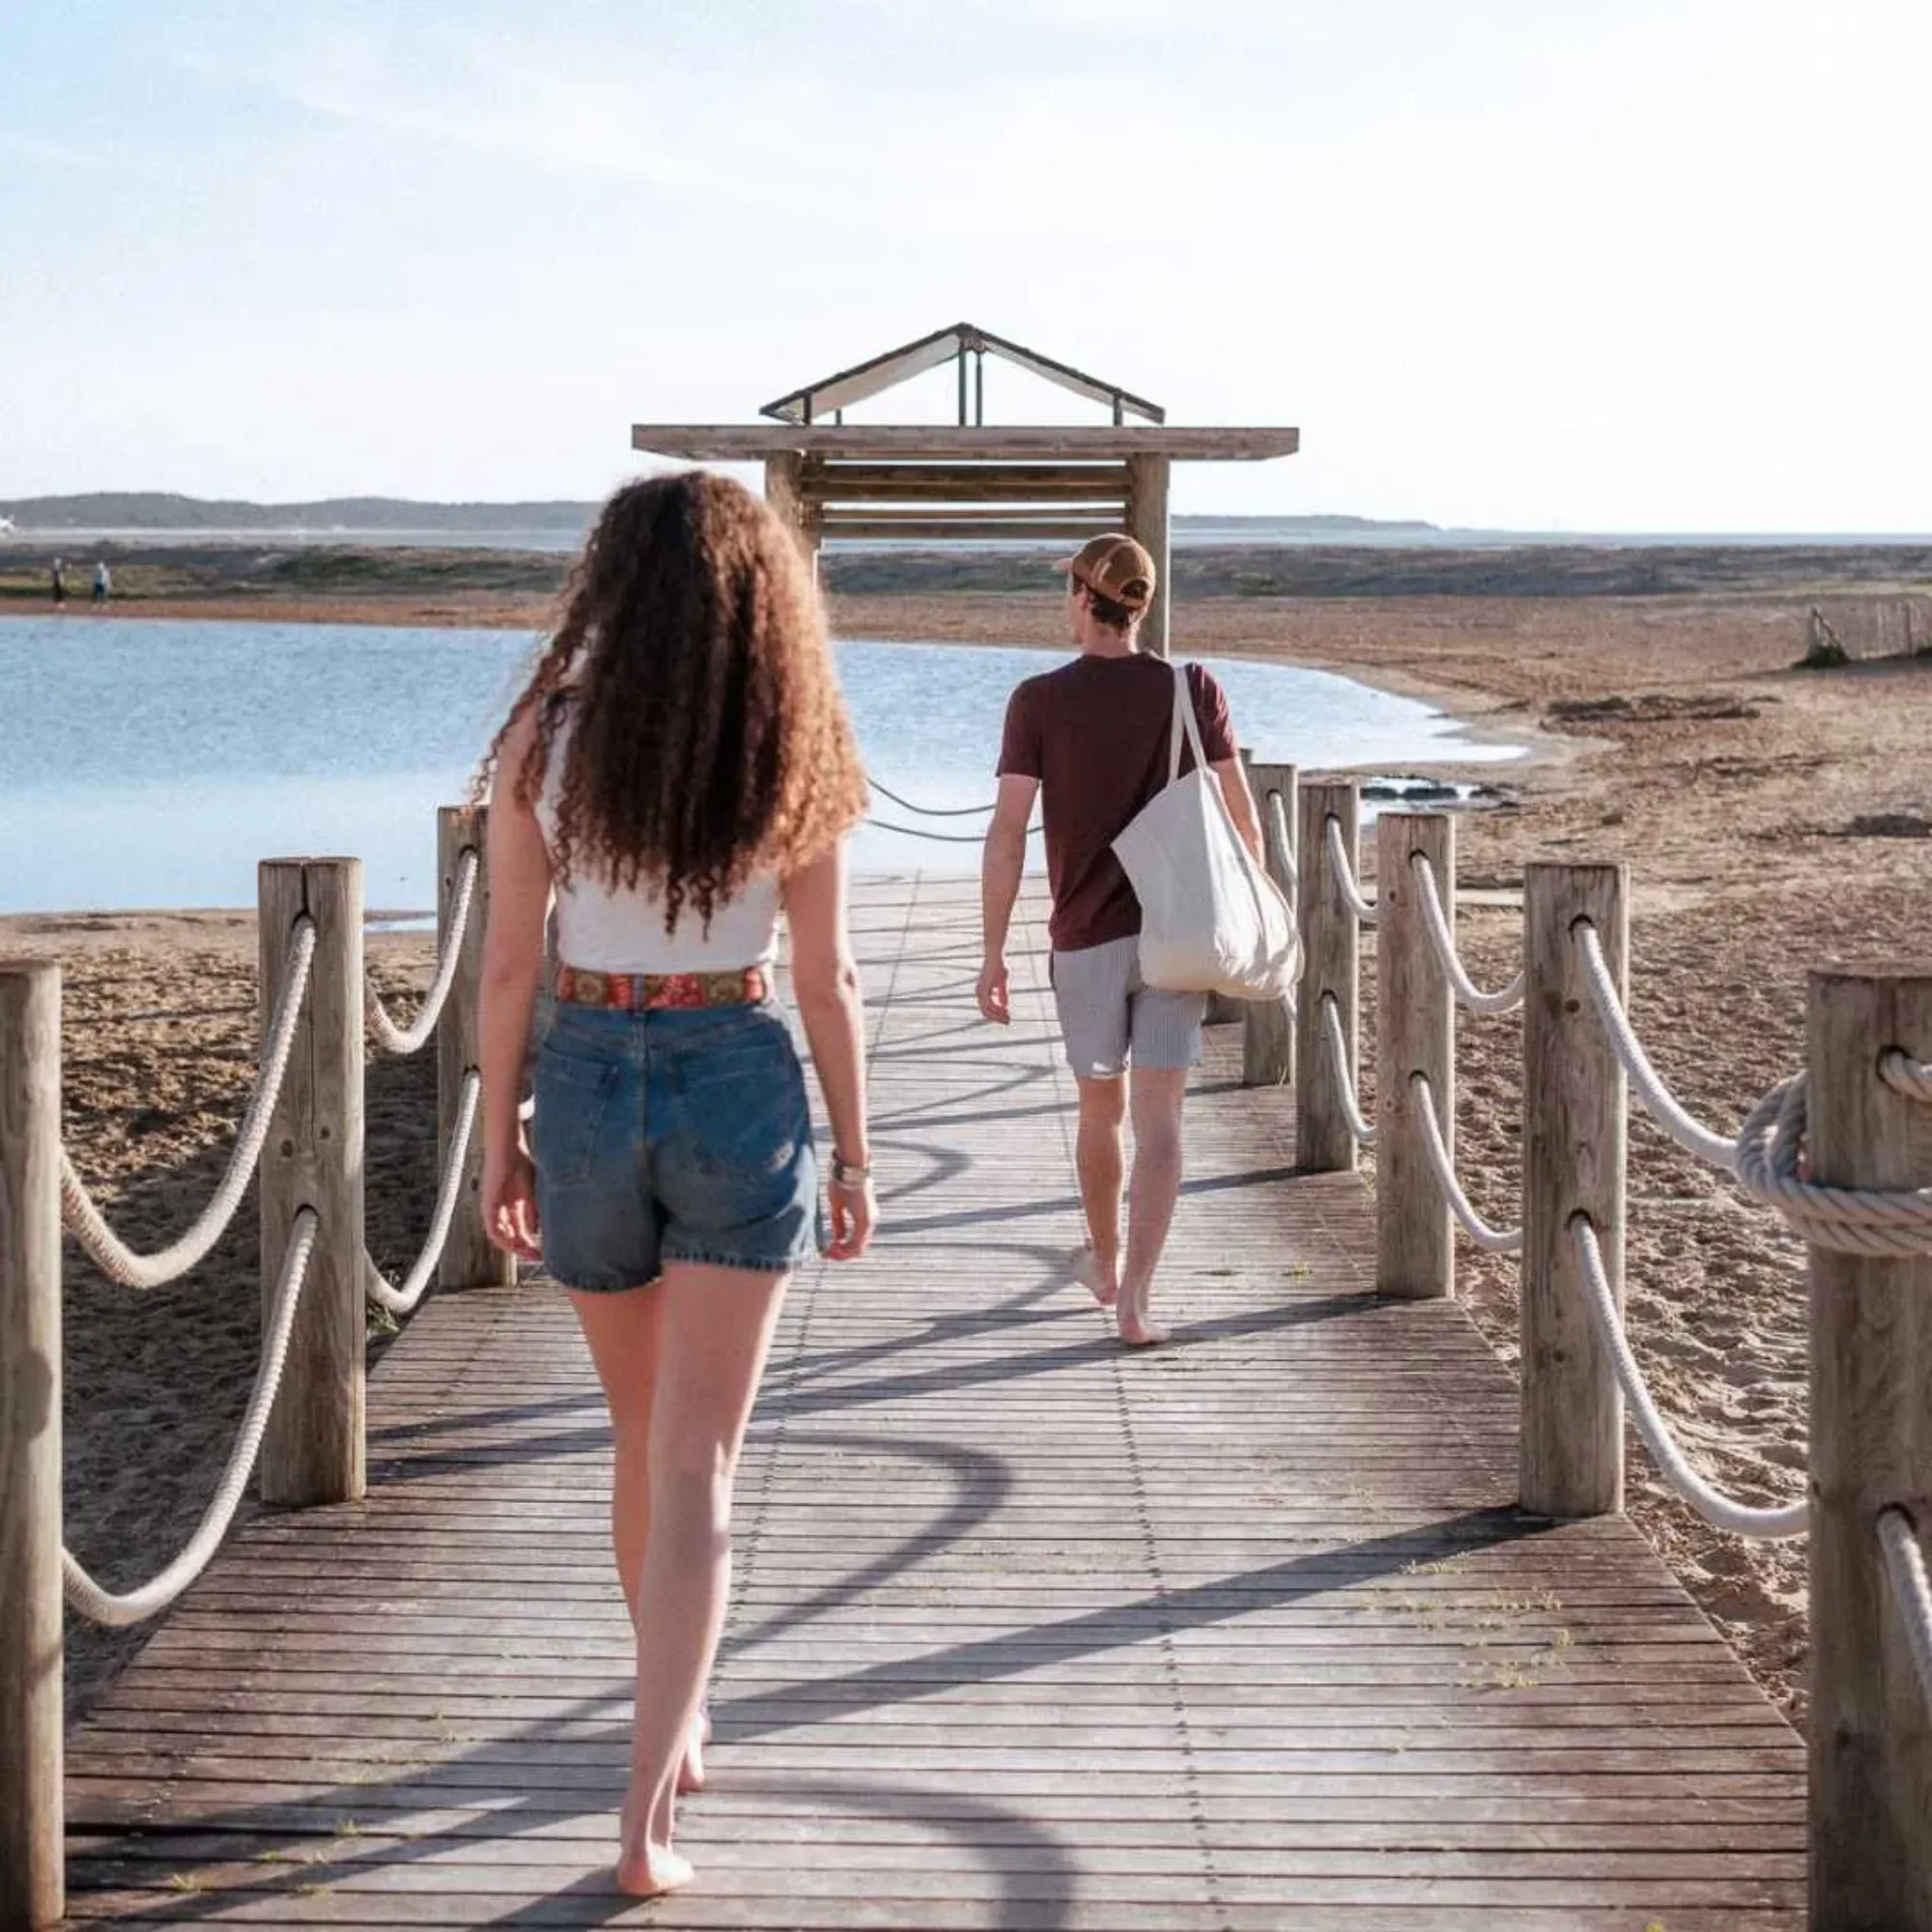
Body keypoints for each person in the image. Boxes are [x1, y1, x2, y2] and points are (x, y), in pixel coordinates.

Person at [476, 471, 876, 1897]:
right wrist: (858, 1149)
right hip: (737, 1066)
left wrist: (495, 1140)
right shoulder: (798, 739)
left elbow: (509, 965)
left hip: (583, 1067)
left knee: (638, 1439)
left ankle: (674, 1716)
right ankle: (652, 1805)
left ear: (613, 586)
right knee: (702, 1458)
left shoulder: (547, 734)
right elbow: (825, 979)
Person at [978, 533, 1264, 1348]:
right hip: (1176, 934)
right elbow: (1241, 816)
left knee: (1099, 1110)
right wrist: (1253, 913)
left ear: (1081, 598)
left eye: (1066, 589)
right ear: (1138, 605)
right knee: (1162, 1117)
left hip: (1085, 935)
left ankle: (1104, 1266)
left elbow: (1007, 834)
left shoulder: (1039, 700)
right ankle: (1137, 1297)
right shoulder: (1190, 686)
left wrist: (991, 951)